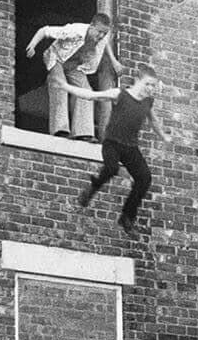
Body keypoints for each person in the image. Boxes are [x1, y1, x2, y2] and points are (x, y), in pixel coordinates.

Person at [58, 64, 170, 238]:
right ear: (138, 80)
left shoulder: (148, 102)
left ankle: (127, 217)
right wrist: (66, 87)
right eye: (148, 84)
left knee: (145, 178)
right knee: (110, 168)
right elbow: (92, 95)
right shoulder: (120, 94)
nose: (150, 89)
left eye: (153, 86)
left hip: (130, 148)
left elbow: (154, 121)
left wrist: (163, 135)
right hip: (112, 144)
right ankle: (89, 192)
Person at [25, 13, 123, 140]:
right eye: (99, 32)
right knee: (60, 86)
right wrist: (32, 45)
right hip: (57, 59)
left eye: (104, 33)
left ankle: (83, 133)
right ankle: (60, 129)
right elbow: (44, 31)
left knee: (86, 91)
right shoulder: (74, 30)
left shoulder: (101, 37)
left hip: (74, 65)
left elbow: (105, 43)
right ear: (91, 26)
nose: (101, 36)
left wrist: (114, 61)